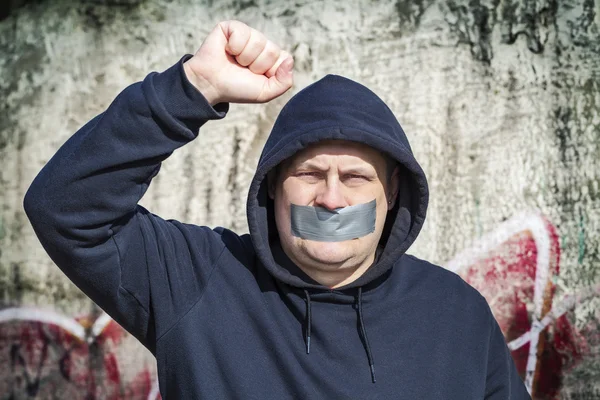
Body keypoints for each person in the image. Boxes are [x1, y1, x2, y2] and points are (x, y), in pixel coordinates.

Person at [24, 20, 530, 399]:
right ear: (272, 187)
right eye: (309, 175)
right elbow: (64, 208)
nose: (331, 200)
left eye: (355, 178)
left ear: (392, 192)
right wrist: (192, 88)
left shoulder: (457, 313)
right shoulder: (197, 278)